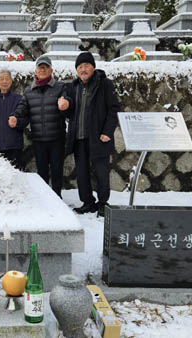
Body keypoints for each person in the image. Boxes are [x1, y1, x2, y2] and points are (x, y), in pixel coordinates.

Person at [65, 52, 120, 217]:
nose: (83, 69)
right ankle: (87, 202)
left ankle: (103, 203)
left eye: (86, 65)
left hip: (99, 137)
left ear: (93, 67)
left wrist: (107, 131)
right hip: (79, 137)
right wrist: (64, 107)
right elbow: (69, 112)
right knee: (82, 173)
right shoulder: (73, 87)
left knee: (101, 172)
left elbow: (114, 109)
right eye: (80, 67)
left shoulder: (105, 84)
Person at [9, 55, 71, 197]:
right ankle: (45, 198)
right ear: (35, 71)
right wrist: (15, 117)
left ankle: (57, 197)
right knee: (42, 171)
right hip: (38, 139)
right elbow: (22, 108)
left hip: (57, 137)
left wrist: (65, 104)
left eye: (45, 67)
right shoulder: (28, 91)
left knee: (57, 170)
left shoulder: (60, 87)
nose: (42, 70)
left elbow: (67, 106)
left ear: (51, 70)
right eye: (40, 67)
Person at [0, 69, 26, 169]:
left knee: (16, 175)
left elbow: (25, 120)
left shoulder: (19, 99)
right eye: (1, 79)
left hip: (15, 145)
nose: (4, 81)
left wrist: (17, 122)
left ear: (11, 81)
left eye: (7, 79)